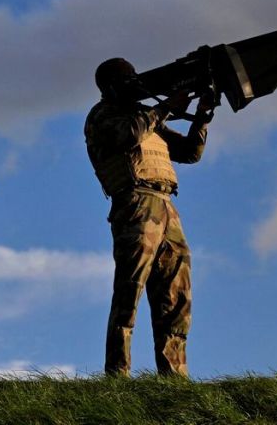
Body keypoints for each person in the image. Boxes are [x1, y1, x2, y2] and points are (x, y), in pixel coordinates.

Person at [84, 58, 216, 377]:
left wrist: (201, 116)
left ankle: (174, 376)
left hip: (166, 205)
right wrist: (167, 106)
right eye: (127, 80)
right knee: (130, 289)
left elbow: (189, 153)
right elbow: (128, 135)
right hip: (135, 203)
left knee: (175, 293)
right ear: (111, 87)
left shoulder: (146, 117)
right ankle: (118, 372)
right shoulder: (103, 116)